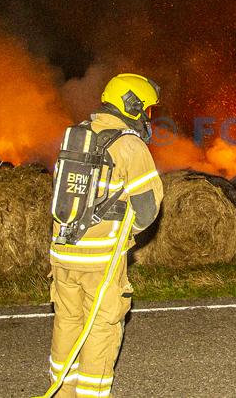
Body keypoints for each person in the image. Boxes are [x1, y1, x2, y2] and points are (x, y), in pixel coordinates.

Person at [46, 73, 164, 398]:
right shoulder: (128, 144)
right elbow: (148, 207)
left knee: (68, 321)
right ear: (133, 105)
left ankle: (60, 391)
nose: (147, 116)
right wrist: (124, 232)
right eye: (146, 109)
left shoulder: (77, 136)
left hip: (62, 255)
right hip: (101, 261)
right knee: (102, 327)